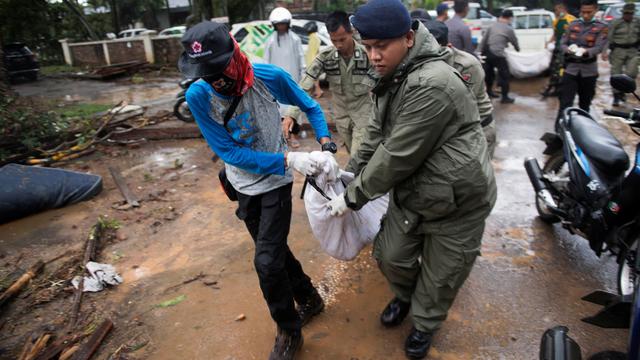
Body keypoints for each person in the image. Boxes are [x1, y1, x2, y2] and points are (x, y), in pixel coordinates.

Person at [326, 1, 497, 358]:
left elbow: (398, 154)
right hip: (417, 191)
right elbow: (375, 129)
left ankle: (424, 324)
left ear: (407, 38)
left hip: (457, 201)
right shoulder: (397, 74)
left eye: (381, 46)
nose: (373, 56)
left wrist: (352, 196)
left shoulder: (431, 82)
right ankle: (405, 297)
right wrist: (352, 168)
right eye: (368, 46)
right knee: (391, 256)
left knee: (441, 276)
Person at [179, 21, 336, 360]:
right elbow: (230, 153)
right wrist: (289, 158)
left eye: (218, 71)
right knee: (273, 252)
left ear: (234, 56)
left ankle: (289, 331)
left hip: (276, 183)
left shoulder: (269, 77)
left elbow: (310, 105)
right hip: (242, 182)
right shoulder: (198, 95)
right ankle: (310, 297)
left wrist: (324, 141)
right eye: (204, 74)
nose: (214, 81)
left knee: (266, 261)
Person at [286, 11, 375, 155]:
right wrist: (291, 114)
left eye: (342, 39)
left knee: (358, 157)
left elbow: (383, 82)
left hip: (364, 115)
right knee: (353, 156)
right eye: (334, 40)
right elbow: (305, 84)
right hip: (341, 118)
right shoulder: (326, 57)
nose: (338, 45)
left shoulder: (367, 55)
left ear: (351, 32)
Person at [422, 19, 497, 158]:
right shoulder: (423, 62)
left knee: (478, 176)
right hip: (455, 133)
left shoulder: (467, 65)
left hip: (479, 129)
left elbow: (461, 108)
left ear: (449, 46)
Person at [557, 0, 608, 119]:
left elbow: (599, 47)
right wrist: (568, 49)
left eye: (589, 12)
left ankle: (582, 131)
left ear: (595, 10)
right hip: (571, 69)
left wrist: (586, 52)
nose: (585, 15)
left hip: (589, 71)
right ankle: (560, 131)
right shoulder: (572, 24)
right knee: (565, 103)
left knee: (584, 105)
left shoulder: (602, 27)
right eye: (583, 12)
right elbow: (562, 43)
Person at [265, 7, 306, 148]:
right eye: (279, 24)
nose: (281, 26)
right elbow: (266, 62)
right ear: (274, 25)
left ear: (288, 23)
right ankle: (282, 138)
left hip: (292, 80)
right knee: (277, 111)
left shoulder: (295, 39)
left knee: (293, 109)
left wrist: (304, 76)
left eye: (283, 23)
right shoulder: (270, 41)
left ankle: (293, 136)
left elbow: (301, 59)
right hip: (275, 83)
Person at [480, 9, 520, 103]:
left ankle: (489, 93)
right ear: (510, 18)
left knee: (489, 74)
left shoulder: (492, 26)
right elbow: (514, 41)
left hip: (487, 52)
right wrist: (518, 49)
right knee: (505, 74)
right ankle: (505, 97)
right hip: (497, 54)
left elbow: (484, 40)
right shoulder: (508, 28)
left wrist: (478, 52)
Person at [608, 3, 640, 106]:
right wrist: (608, 50)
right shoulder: (616, 22)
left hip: (633, 50)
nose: (628, 15)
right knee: (615, 73)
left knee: (631, 73)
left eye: (630, 13)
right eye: (626, 13)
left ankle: (623, 90)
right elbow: (609, 36)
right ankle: (617, 96)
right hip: (618, 50)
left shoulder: (637, 22)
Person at [542, 2, 576, 97]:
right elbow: (555, 34)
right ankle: (554, 88)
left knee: (561, 69)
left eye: (556, 10)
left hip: (566, 49)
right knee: (554, 68)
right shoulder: (556, 21)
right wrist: (548, 42)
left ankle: (560, 89)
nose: (555, 12)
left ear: (562, 9)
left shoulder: (571, 20)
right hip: (557, 48)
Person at [304, 21, 324, 98]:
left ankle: (319, 92)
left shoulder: (313, 37)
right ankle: (315, 92)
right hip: (314, 61)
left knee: (314, 80)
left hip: (312, 62)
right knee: (314, 79)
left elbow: (312, 52)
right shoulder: (315, 37)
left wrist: (312, 63)